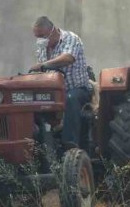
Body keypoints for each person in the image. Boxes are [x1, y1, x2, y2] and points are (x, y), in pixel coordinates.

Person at [29, 16, 91, 148]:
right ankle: (38, 144)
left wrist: (43, 65)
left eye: (42, 36)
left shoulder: (70, 39)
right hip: (54, 94)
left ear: (52, 31)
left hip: (77, 89)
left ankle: (70, 144)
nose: (40, 40)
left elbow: (68, 58)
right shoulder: (42, 49)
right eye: (37, 37)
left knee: (71, 98)